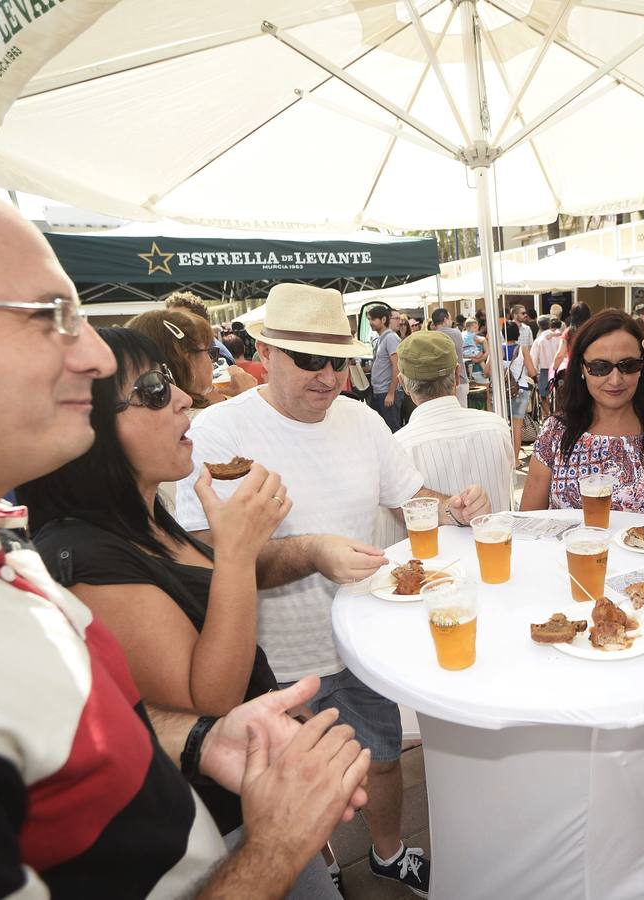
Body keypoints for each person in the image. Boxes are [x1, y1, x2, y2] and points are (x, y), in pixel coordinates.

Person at [0, 149, 368, 898]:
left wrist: (197, 741)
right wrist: (275, 849)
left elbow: (87, 719)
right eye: (46, 315)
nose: (88, 355)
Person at [177, 283, 493, 896]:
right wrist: (311, 552)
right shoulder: (216, 434)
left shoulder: (364, 419)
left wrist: (451, 508)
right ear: (265, 352)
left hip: (362, 640)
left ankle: (386, 852)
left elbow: (409, 501)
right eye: (310, 361)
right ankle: (314, 860)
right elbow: (203, 559)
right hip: (267, 656)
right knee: (285, 779)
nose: (329, 378)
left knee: (378, 756)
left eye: (339, 361)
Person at [16, 327, 294, 837]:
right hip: (217, 827)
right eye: (153, 388)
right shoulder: (84, 556)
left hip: (257, 790)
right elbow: (206, 708)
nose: (185, 397)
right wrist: (235, 554)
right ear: (90, 423)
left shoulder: (143, 518)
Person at [522, 309, 644, 521]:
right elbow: (529, 519)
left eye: (628, 365)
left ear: (642, 367)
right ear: (581, 368)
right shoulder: (556, 431)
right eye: (600, 367)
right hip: (568, 554)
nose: (616, 379)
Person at [375, 331, 514, 546]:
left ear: (402, 383)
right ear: (457, 375)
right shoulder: (498, 427)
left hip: (435, 573)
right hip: (496, 558)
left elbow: (391, 540)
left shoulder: (397, 446)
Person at [166, 291, 235, 365]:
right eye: (169, 321)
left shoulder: (217, 356)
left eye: (181, 321)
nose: (173, 326)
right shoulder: (178, 351)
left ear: (202, 324)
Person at [366, 304, 404, 432]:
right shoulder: (381, 339)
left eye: (372, 319)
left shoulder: (391, 338)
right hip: (380, 392)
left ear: (383, 319)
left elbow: (397, 366)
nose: (370, 323)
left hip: (387, 393)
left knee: (393, 431)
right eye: (369, 320)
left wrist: (391, 393)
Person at [505, 319, 536, 463]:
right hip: (520, 390)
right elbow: (532, 371)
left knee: (505, 426)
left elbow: (487, 371)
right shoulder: (522, 349)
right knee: (517, 427)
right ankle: (515, 460)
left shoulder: (498, 347)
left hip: (502, 391)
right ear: (517, 333)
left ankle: (505, 459)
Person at [430, 307, 467, 407]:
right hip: (460, 379)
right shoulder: (456, 332)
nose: (451, 321)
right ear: (445, 320)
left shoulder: (431, 337)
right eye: (450, 319)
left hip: (440, 384)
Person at [531, 315, 564, 416]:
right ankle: (559, 413)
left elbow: (534, 360)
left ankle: (549, 415)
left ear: (539, 326)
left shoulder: (539, 340)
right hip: (559, 368)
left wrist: (534, 373)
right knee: (560, 394)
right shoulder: (559, 337)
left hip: (545, 370)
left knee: (543, 395)